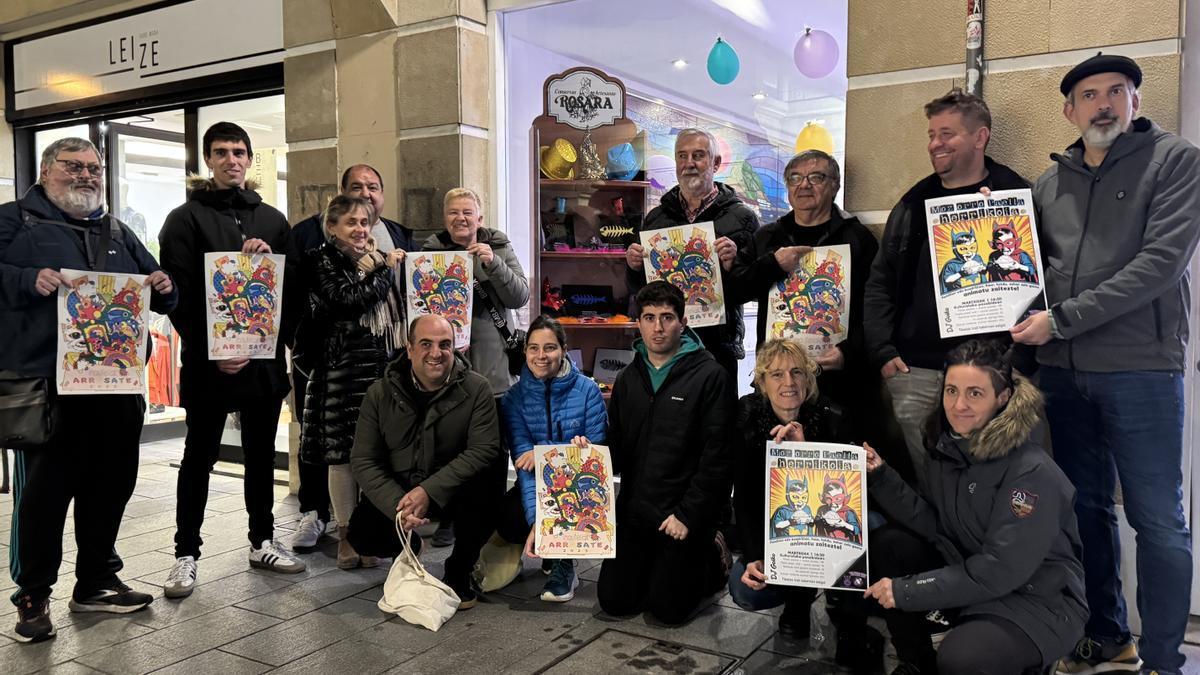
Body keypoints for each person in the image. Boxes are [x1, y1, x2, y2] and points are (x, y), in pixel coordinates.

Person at [1013, 54, 1200, 675]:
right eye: (1089, 95)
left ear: (1135, 102)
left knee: (1158, 520)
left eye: (1116, 92)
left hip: (1141, 368)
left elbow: (1159, 266)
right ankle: (1106, 634)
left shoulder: (1175, 161)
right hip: (1063, 374)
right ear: (1069, 111)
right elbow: (1022, 272)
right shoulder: (1048, 183)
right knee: (1084, 509)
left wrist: (1060, 320)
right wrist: (995, 227)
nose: (1102, 105)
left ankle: (1166, 661)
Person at [0, 137, 177, 642]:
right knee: (45, 495)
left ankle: (96, 582)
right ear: (45, 170)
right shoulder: (13, 220)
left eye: (94, 167)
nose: (87, 175)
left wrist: (165, 285)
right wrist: (25, 278)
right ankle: (33, 596)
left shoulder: (116, 229)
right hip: (49, 387)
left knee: (111, 485)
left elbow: (159, 286)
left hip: (117, 387)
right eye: (74, 166)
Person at [863, 340, 1087, 675]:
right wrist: (880, 476)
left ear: (1003, 398)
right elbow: (935, 525)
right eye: (951, 390)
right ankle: (917, 663)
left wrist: (906, 591)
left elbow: (999, 569)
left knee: (964, 659)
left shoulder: (1031, 472)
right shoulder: (948, 449)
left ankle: (1030, 662)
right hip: (973, 576)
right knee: (890, 545)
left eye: (975, 393)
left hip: (1038, 600)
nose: (958, 405)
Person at [158, 121, 306, 600]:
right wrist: (211, 351)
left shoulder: (272, 221)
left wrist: (269, 341)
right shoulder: (184, 219)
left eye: (240, 151)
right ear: (208, 160)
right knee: (198, 457)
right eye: (221, 152)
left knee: (262, 456)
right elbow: (177, 296)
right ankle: (186, 552)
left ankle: (262, 539)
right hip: (209, 367)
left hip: (261, 367)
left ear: (249, 158)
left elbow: (289, 293)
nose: (232, 160)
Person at [863, 89, 1030, 477]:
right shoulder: (912, 203)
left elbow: (1038, 282)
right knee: (928, 479)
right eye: (932, 135)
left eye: (947, 134)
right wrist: (883, 351)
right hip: (916, 371)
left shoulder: (1014, 195)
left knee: (989, 479)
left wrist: (1018, 363)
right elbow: (881, 282)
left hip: (991, 371)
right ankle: (936, 541)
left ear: (980, 137)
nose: (935, 144)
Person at [730, 340, 882, 673]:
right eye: (777, 374)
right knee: (746, 591)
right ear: (762, 381)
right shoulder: (747, 414)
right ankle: (796, 605)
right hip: (781, 526)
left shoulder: (831, 413)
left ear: (809, 378)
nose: (789, 383)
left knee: (868, 526)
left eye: (797, 372)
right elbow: (743, 497)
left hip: (829, 522)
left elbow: (845, 494)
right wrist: (754, 554)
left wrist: (805, 452)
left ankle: (844, 610)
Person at [288, 164, 416, 551]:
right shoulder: (321, 260)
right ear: (332, 227)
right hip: (340, 375)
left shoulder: (379, 254)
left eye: (364, 223)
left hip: (379, 371)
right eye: (350, 223)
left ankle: (371, 533)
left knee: (376, 456)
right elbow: (349, 300)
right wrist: (383, 270)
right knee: (341, 458)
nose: (360, 230)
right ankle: (345, 534)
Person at [597, 281, 736, 625]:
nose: (657, 327)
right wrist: (587, 457)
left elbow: (718, 458)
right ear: (638, 322)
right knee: (615, 601)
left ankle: (714, 552)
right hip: (637, 510)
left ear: (682, 322)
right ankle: (655, 567)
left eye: (667, 317)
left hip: (684, 515)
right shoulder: (629, 377)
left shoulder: (710, 376)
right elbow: (618, 447)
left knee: (667, 611)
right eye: (649, 317)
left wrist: (689, 516)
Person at [348, 314, 507, 607]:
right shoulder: (379, 393)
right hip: (401, 490)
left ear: (456, 348)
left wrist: (429, 491)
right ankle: (409, 544)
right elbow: (363, 459)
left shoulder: (476, 389)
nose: (436, 353)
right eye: (426, 344)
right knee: (361, 535)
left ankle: (459, 570)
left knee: (490, 484)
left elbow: (484, 448)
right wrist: (400, 505)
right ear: (409, 349)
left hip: (453, 489)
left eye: (445, 344)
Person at [729, 149, 883, 447]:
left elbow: (876, 311)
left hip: (838, 383)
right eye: (796, 178)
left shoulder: (857, 239)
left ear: (835, 185)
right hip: (779, 384)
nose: (804, 185)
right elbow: (735, 289)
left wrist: (849, 354)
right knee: (772, 468)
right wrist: (772, 265)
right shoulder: (768, 237)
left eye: (816, 177)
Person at [625, 128, 759, 381]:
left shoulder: (742, 218)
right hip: (665, 346)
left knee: (716, 418)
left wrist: (734, 264)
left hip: (717, 348)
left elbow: (754, 288)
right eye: (682, 156)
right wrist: (633, 267)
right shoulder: (656, 218)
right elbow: (639, 290)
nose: (689, 164)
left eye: (698, 155)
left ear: (715, 163)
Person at [492, 314, 607, 602]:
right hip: (537, 485)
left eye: (550, 347)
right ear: (525, 351)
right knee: (507, 517)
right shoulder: (513, 399)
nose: (541, 356)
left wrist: (548, 452)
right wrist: (538, 525)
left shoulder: (588, 391)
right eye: (533, 348)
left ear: (564, 350)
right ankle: (551, 550)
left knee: (572, 490)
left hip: (582, 487)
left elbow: (597, 453)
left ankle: (564, 566)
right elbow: (525, 468)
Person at [420, 187, 529, 398]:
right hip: (447, 371)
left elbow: (519, 298)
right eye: (453, 212)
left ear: (479, 219)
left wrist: (494, 264)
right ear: (445, 219)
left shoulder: (499, 247)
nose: (460, 218)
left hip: (495, 370)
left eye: (467, 213)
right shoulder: (429, 254)